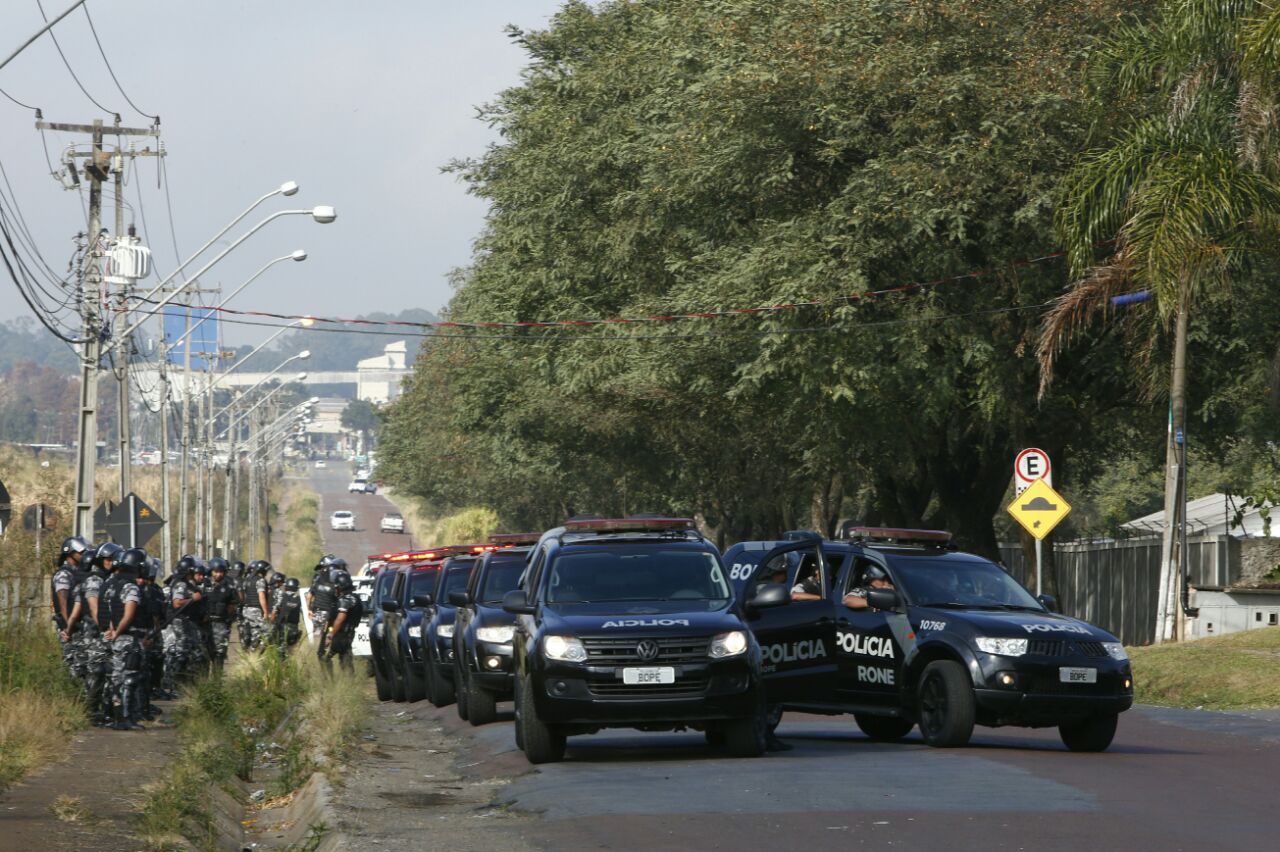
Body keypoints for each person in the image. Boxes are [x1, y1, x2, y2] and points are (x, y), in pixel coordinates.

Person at [64, 543, 115, 725]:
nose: (111, 563)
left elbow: (75, 612)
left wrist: (68, 630)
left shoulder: (89, 581)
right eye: (108, 560)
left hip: (92, 634)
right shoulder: (94, 581)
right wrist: (105, 628)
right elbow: (93, 608)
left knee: (99, 672)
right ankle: (92, 711)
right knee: (98, 672)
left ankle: (100, 710)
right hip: (95, 635)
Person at [100, 547, 149, 730]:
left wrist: (113, 631)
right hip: (129, 639)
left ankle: (117, 717)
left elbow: (111, 613)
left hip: (119, 639)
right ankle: (125, 718)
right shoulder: (131, 588)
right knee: (129, 678)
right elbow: (128, 615)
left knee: (117, 679)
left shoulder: (114, 585)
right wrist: (118, 632)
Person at [51, 536, 88, 676]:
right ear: (70, 553)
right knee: (73, 667)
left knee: (83, 665)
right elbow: (63, 602)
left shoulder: (79, 572)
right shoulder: (64, 574)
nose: (83, 555)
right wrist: (68, 628)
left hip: (79, 626)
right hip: (69, 628)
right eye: (80, 552)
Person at [323, 570, 363, 675]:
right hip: (349, 634)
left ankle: (330, 680)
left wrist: (330, 635)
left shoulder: (345, 600)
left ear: (341, 587)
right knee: (345, 658)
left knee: (325, 657)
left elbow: (340, 619)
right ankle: (349, 680)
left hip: (341, 635)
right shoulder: (356, 598)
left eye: (336, 587)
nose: (335, 589)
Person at [204, 558, 238, 671]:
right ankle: (202, 680)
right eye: (216, 571)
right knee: (204, 654)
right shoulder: (204, 584)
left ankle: (217, 679)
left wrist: (227, 618)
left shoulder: (229, 585)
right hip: (205, 624)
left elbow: (233, 603)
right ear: (211, 571)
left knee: (219, 654)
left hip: (221, 624)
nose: (218, 574)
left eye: (221, 572)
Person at [307, 555, 339, 660]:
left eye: (322, 568)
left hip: (317, 613)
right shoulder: (336, 580)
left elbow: (309, 596)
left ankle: (318, 658)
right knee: (328, 636)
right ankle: (323, 658)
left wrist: (309, 610)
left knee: (318, 637)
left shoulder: (317, 579)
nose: (321, 570)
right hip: (329, 614)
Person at [239, 560, 273, 649]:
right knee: (269, 630)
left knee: (254, 631)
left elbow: (243, 595)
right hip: (256, 610)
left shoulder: (247, 579)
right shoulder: (260, 580)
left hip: (246, 609)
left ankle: (249, 650)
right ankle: (255, 650)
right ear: (263, 570)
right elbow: (261, 596)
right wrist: (266, 612)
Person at [271, 577, 304, 648]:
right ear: (296, 588)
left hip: (280, 626)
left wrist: (272, 623)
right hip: (293, 628)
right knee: (289, 648)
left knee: (277, 645)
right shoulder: (300, 599)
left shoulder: (281, 597)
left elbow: (274, 611)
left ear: (286, 587)